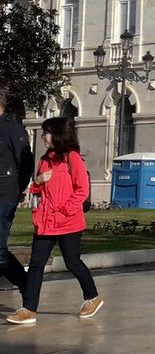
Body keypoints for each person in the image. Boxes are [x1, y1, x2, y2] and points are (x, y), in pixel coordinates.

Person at [7, 117, 102, 326]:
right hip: (46, 222)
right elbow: (39, 190)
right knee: (35, 265)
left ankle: (93, 297)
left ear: (58, 135)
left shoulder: (72, 158)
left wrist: (65, 210)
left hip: (68, 222)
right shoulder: (44, 160)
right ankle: (29, 309)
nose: (43, 137)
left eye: (46, 133)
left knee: (72, 262)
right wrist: (37, 182)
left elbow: (82, 190)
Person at [0, 90, 34, 297]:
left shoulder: (11, 127)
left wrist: (18, 188)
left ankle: (27, 288)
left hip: (4, 196)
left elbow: (26, 161)